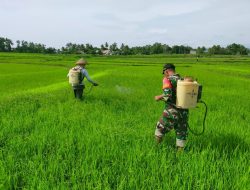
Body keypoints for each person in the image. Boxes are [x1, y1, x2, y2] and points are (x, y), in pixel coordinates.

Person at [154, 63, 189, 151]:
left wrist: (159, 97)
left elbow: (167, 95)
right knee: (181, 133)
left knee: (159, 128)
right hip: (184, 112)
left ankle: (155, 149)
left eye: (164, 72)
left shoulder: (167, 79)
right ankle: (180, 156)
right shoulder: (183, 80)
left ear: (166, 71)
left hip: (172, 111)